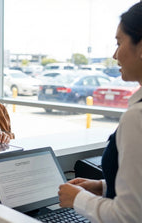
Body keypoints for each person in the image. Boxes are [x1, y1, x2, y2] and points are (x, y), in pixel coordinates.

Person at [58, 2, 142, 222]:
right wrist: (103, 186)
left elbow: (129, 216)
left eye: (119, 42)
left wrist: (78, 199)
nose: (115, 55)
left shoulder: (137, 117)